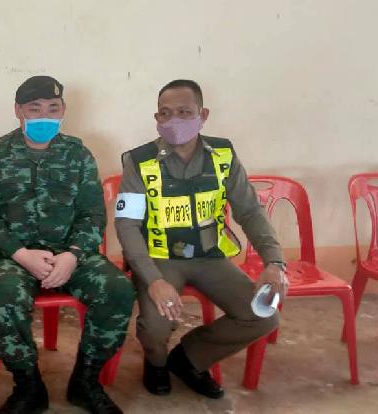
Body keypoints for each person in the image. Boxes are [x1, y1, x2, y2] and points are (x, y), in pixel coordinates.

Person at [0, 75, 135, 414]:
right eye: (35, 108)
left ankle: (85, 382)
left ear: (63, 110)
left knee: (117, 289)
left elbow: (92, 215)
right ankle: (29, 387)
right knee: (1, 294)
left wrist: (73, 256)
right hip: (12, 255)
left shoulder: (78, 154)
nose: (45, 116)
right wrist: (21, 254)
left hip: (71, 253)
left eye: (53, 108)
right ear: (18, 110)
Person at [115, 79, 286, 399]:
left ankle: (188, 359)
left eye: (184, 112)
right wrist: (153, 279)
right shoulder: (139, 161)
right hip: (160, 258)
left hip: (209, 256)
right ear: (156, 118)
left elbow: (250, 211)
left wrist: (274, 262)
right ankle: (156, 362)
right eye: (165, 113)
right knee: (155, 325)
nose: (173, 120)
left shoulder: (223, 154)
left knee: (262, 316)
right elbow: (127, 226)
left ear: (202, 115)